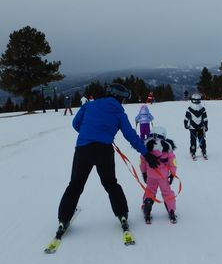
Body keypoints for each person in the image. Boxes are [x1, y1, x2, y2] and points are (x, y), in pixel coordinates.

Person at [56, 83, 160, 238]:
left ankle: (63, 219)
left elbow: (75, 123)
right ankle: (122, 214)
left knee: (76, 184)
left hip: (83, 149)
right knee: (111, 183)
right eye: (124, 99)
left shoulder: (89, 105)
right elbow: (130, 135)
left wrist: (88, 133)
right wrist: (146, 153)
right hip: (104, 151)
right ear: (119, 98)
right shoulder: (119, 113)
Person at [139, 127, 178, 223]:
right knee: (167, 192)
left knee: (150, 191)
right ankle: (171, 210)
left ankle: (147, 207)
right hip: (163, 177)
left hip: (151, 176)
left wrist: (144, 173)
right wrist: (172, 174)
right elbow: (173, 163)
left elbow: (142, 162)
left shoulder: (146, 147)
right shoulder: (167, 148)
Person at [184, 93, 208, 159]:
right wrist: (206, 126)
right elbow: (205, 119)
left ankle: (200, 151)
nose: (196, 102)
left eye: (197, 100)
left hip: (195, 127)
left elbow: (186, 118)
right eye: (195, 100)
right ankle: (198, 151)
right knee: (198, 139)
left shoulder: (190, 109)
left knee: (196, 140)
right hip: (197, 127)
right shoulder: (202, 109)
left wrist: (185, 124)